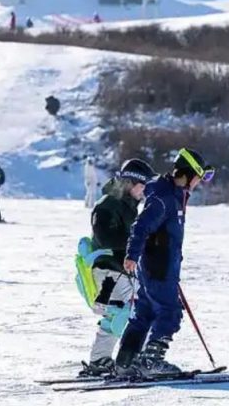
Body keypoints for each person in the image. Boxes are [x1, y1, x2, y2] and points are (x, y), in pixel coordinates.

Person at [114, 148, 214, 377]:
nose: (199, 182)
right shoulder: (164, 198)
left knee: (145, 313)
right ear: (188, 174)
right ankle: (151, 362)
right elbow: (141, 226)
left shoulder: (173, 195)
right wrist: (131, 255)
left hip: (157, 266)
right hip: (158, 268)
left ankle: (125, 363)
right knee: (170, 311)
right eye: (199, 177)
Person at [78, 159, 156, 377]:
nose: (145, 192)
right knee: (126, 313)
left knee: (123, 313)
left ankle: (101, 359)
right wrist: (138, 243)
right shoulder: (107, 204)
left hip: (119, 270)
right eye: (143, 186)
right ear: (131, 182)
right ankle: (129, 359)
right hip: (108, 270)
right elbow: (106, 237)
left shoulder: (127, 206)